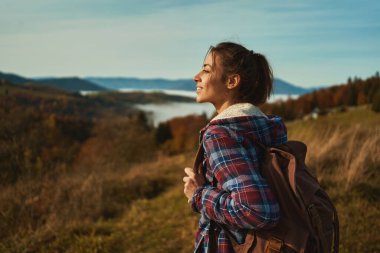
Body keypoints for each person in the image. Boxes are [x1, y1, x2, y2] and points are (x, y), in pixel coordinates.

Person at [183, 42, 288, 252]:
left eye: (206, 69)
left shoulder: (221, 134)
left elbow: (257, 210)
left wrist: (199, 193)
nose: (196, 76)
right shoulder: (264, 125)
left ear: (232, 81)